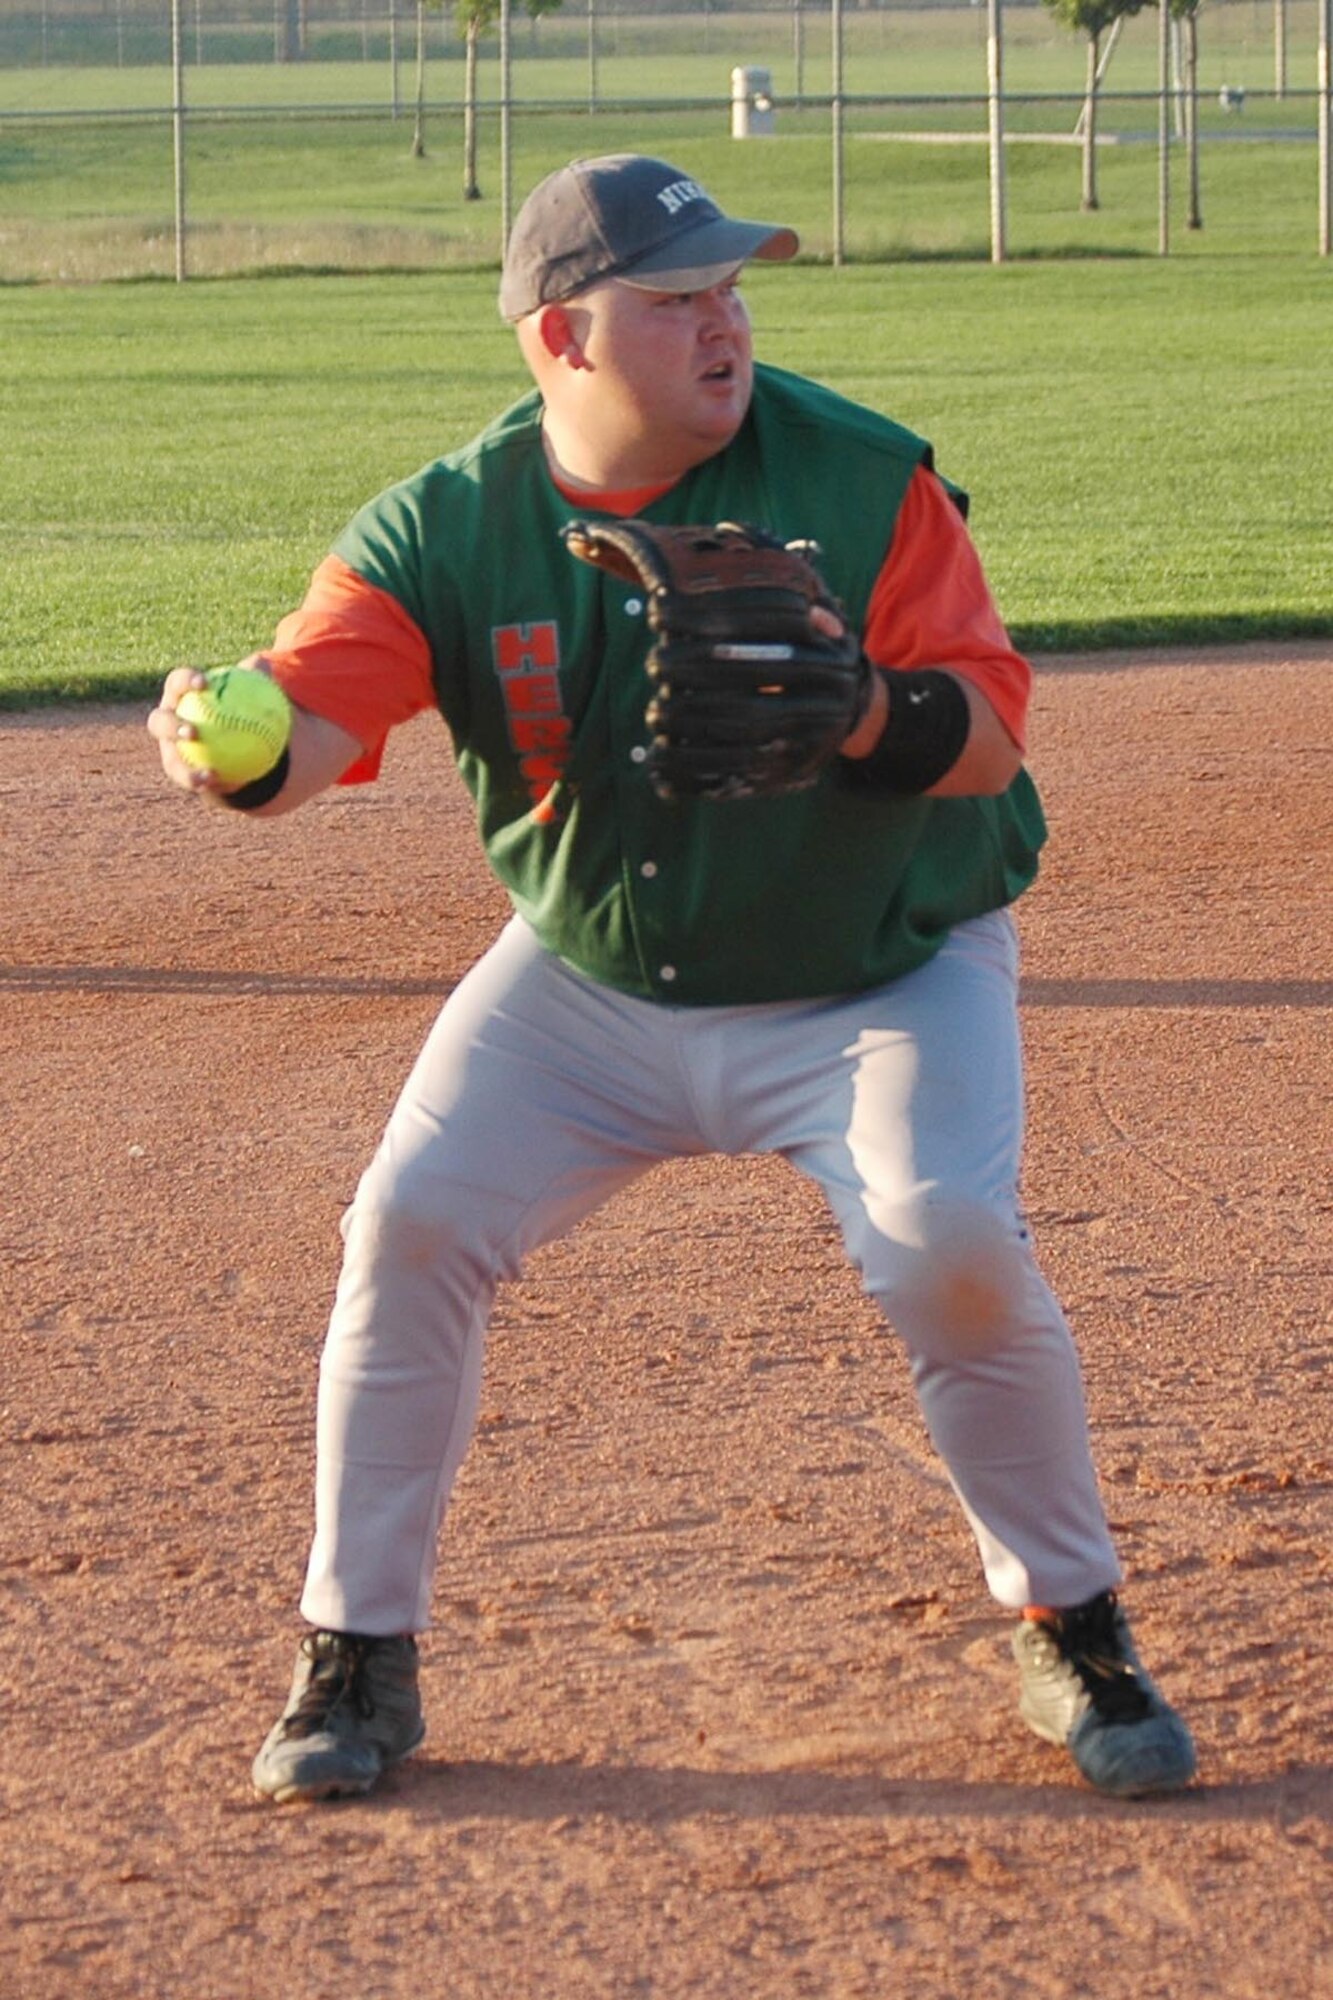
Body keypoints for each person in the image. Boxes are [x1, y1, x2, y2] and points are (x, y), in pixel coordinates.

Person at [149, 153, 1196, 1806]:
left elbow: (991, 735)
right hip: (595, 986)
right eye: (678, 299)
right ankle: (354, 1651)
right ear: (563, 337)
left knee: (947, 1243)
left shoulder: (857, 481)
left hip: (877, 973)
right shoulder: (450, 525)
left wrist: (857, 708)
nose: (727, 323)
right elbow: (312, 725)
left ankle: (1071, 1624)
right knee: (408, 1223)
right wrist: (230, 748)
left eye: (731, 289)